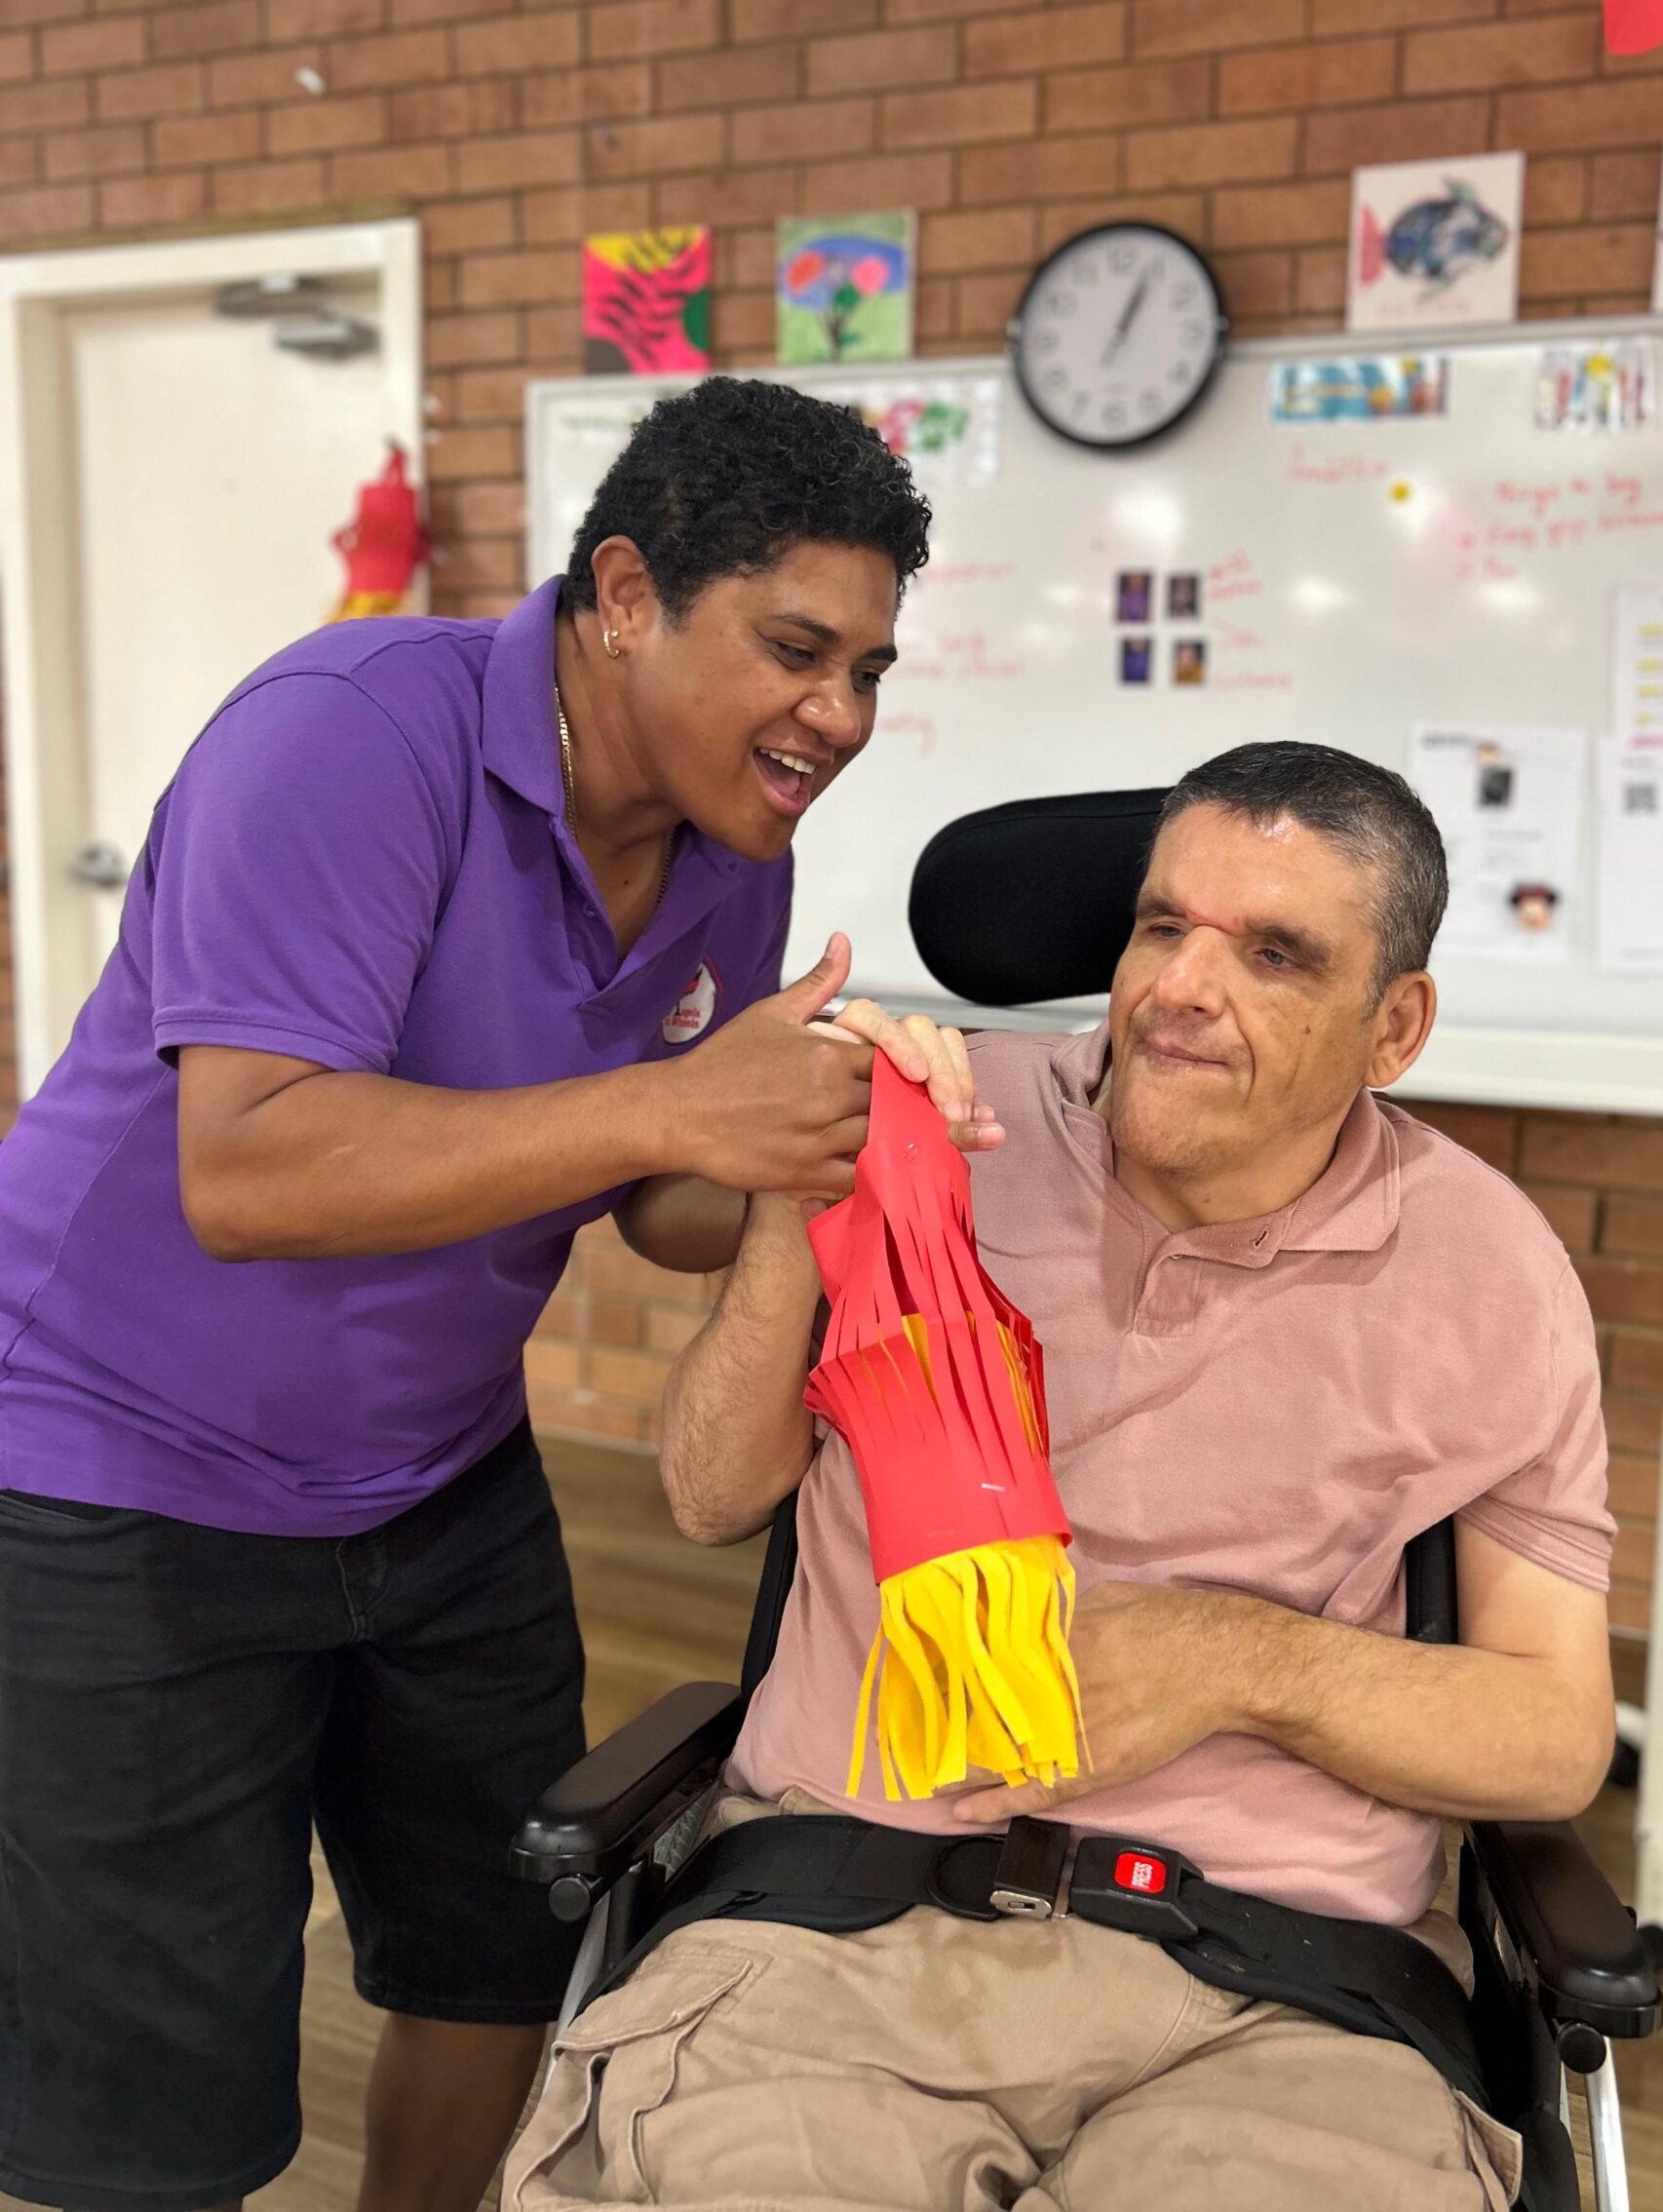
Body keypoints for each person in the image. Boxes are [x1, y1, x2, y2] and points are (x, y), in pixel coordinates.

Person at [0, 378, 984, 2212]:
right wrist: (686, 1101)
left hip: (441, 1477)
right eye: (795, 650)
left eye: (867, 671)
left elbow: (642, 1197)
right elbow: (255, 1169)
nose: (836, 718)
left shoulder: (722, 851)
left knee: (504, 1954)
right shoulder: (350, 736)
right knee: (153, 2091)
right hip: (115, 1475)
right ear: (624, 593)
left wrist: (813, 1151)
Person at [507, 743, 1617, 2212]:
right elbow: (712, 1497)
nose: (1181, 989)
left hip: (1275, 2004)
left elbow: (1549, 1735)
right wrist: (807, 1190)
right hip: (839, 1929)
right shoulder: (945, 1130)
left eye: (1274, 954)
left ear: (1393, 1025)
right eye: (1164, 927)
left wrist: (1233, 1662)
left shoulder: (1489, 1269)